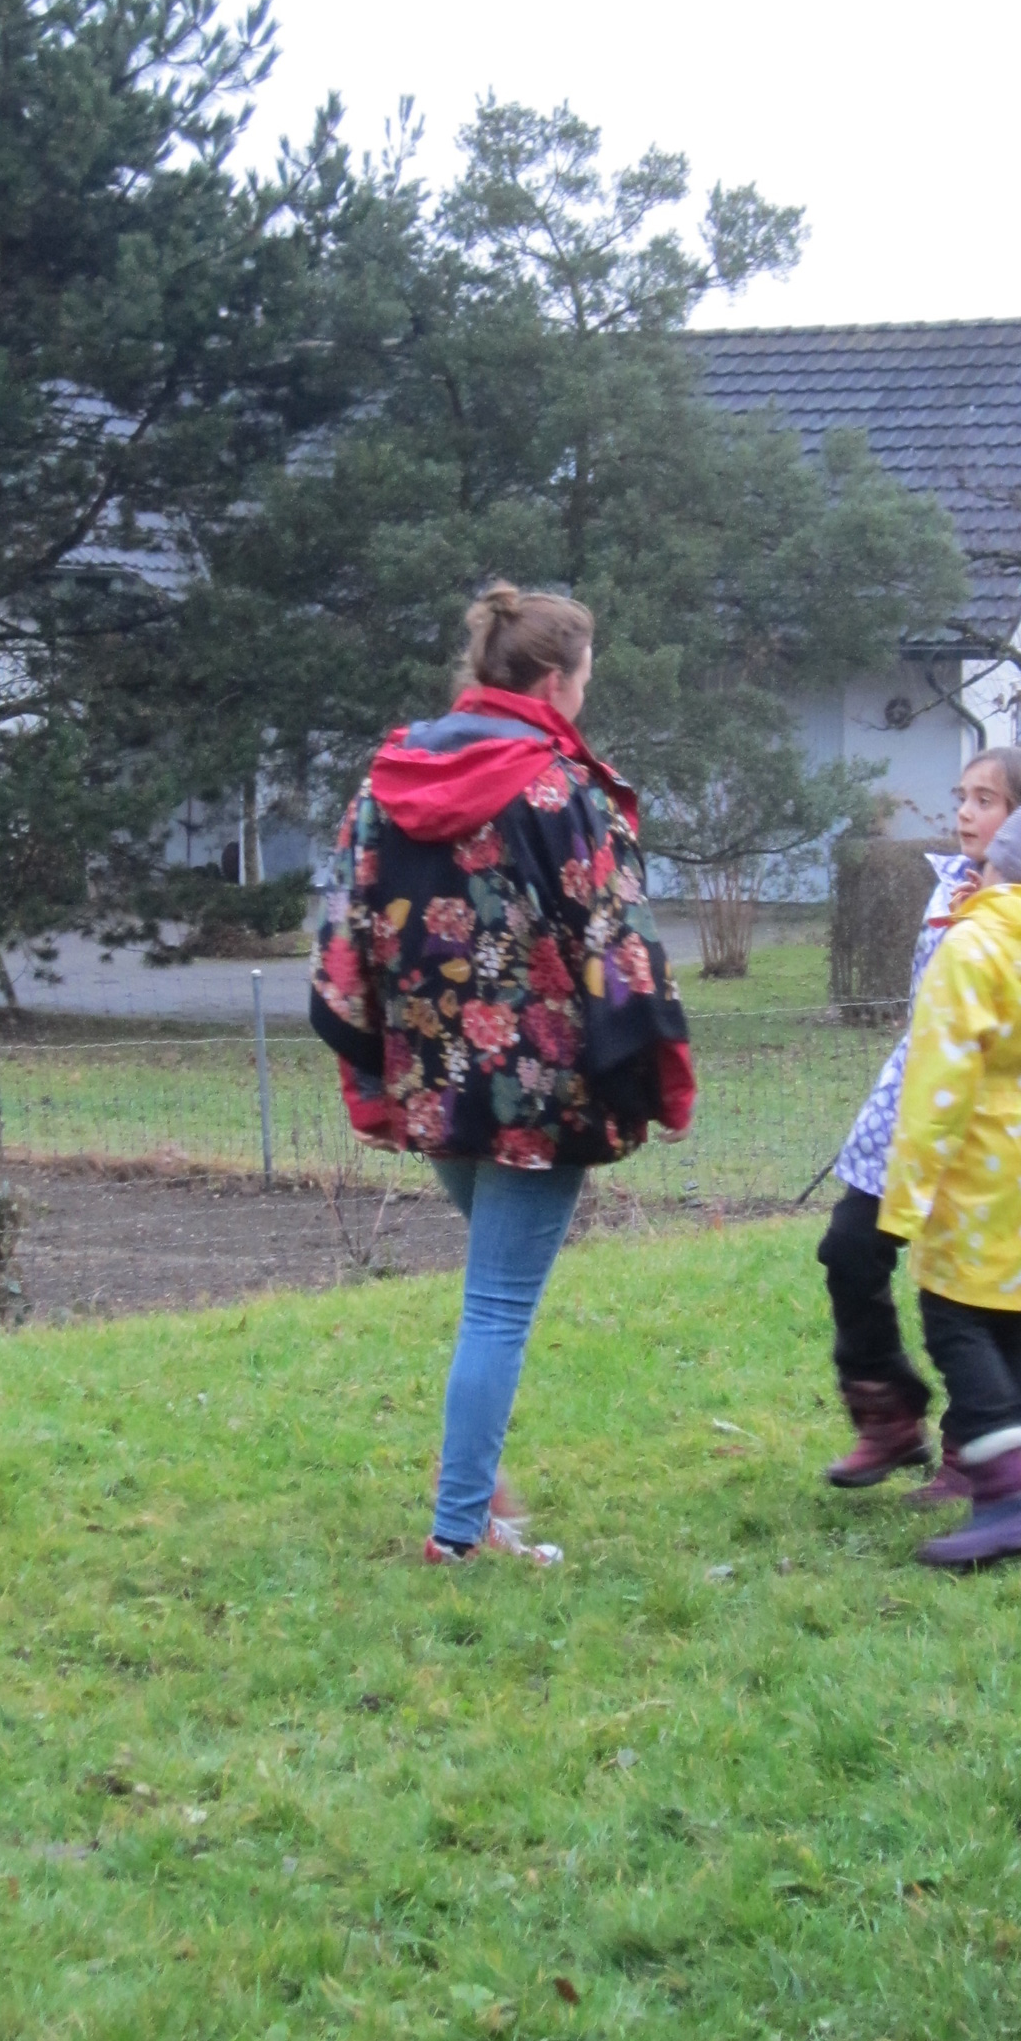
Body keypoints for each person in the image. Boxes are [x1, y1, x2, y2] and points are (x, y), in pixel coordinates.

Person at [309, 581, 695, 1567]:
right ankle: (461, 1532)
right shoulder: (558, 791)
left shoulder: (387, 779)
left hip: (432, 1082)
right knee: (497, 1308)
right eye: (586, 676)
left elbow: (345, 928)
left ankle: (478, 1490)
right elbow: (615, 936)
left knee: (493, 1290)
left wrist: (378, 1046)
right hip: (540, 1095)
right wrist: (654, 1068)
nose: (586, 693)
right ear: (556, 680)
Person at [818, 747, 1021, 1493]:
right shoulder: (954, 885)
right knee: (850, 1250)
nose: (964, 812)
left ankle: (980, 1458)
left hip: (993, 1129)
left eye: (986, 800)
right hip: (909, 1110)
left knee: (987, 1300)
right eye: (963, 795)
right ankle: (889, 1418)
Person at [877, 797, 1021, 1568]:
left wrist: (904, 1196)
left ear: (998, 861)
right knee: (1009, 1313)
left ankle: (1012, 1498)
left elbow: (937, 1084)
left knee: (951, 1313)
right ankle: (1008, 1485)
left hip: (980, 1145)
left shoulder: (973, 945)